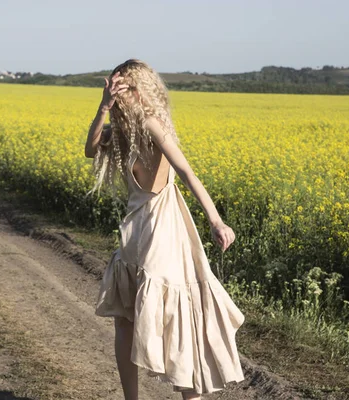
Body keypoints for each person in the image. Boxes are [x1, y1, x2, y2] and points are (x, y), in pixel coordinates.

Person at [84, 59, 245, 400]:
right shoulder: (129, 129)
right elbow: (91, 149)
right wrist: (103, 108)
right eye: (113, 89)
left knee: (146, 318)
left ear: (137, 90)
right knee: (171, 318)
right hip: (151, 235)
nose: (117, 95)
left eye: (121, 88)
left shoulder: (144, 125)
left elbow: (185, 173)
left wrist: (216, 221)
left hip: (145, 234)